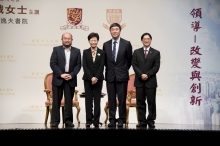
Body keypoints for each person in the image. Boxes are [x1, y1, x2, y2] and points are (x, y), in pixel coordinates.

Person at [103, 23, 133, 127]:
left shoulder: (126, 43)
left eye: (116, 29)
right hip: (110, 75)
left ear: (120, 31)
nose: (114, 31)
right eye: (112, 30)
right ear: (110, 31)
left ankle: (121, 119)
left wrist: (122, 70)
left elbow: (129, 60)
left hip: (122, 75)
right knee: (111, 99)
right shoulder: (105, 44)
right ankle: (112, 119)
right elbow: (105, 61)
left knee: (122, 99)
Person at [50, 32, 81, 127]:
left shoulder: (77, 51)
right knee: (56, 101)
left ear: (72, 40)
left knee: (68, 102)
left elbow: (78, 65)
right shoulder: (56, 49)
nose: (67, 40)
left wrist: (71, 75)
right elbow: (52, 63)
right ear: (62, 39)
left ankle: (68, 121)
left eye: (69, 38)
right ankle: (55, 121)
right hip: (58, 79)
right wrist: (61, 74)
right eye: (65, 38)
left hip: (70, 79)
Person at [132, 32, 160, 128]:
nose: (146, 40)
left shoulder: (156, 52)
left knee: (151, 102)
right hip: (139, 81)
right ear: (142, 41)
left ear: (151, 40)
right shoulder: (136, 52)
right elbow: (134, 65)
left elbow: (156, 67)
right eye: (144, 39)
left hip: (150, 81)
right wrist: (141, 74)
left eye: (148, 39)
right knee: (140, 102)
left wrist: (147, 75)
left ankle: (151, 120)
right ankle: (142, 121)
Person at [82, 32, 105, 128]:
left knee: (97, 101)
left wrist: (96, 77)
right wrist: (91, 77)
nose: (93, 42)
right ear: (89, 41)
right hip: (87, 79)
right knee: (88, 101)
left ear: (97, 41)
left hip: (98, 80)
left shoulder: (102, 52)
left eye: (95, 40)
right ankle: (88, 120)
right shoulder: (85, 52)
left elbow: (101, 66)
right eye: (91, 40)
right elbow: (85, 66)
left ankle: (96, 121)